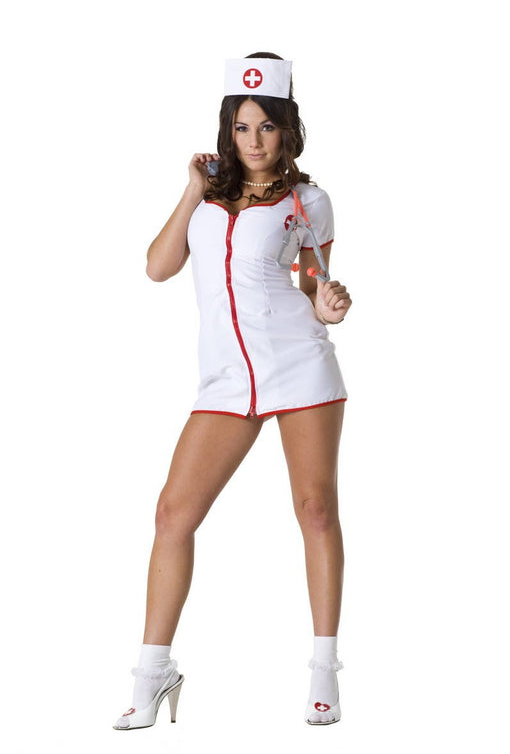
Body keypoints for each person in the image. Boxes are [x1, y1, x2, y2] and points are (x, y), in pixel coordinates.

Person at [113, 51, 352, 731]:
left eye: (267, 126)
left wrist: (328, 304)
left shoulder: (308, 201)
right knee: (172, 515)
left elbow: (314, 282)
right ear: (228, 128)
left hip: (299, 366)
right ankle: (152, 673)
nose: (254, 140)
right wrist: (192, 189)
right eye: (242, 127)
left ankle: (324, 674)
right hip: (224, 379)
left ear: (287, 129)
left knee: (315, 510)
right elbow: (158, 267)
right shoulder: (208, 196)